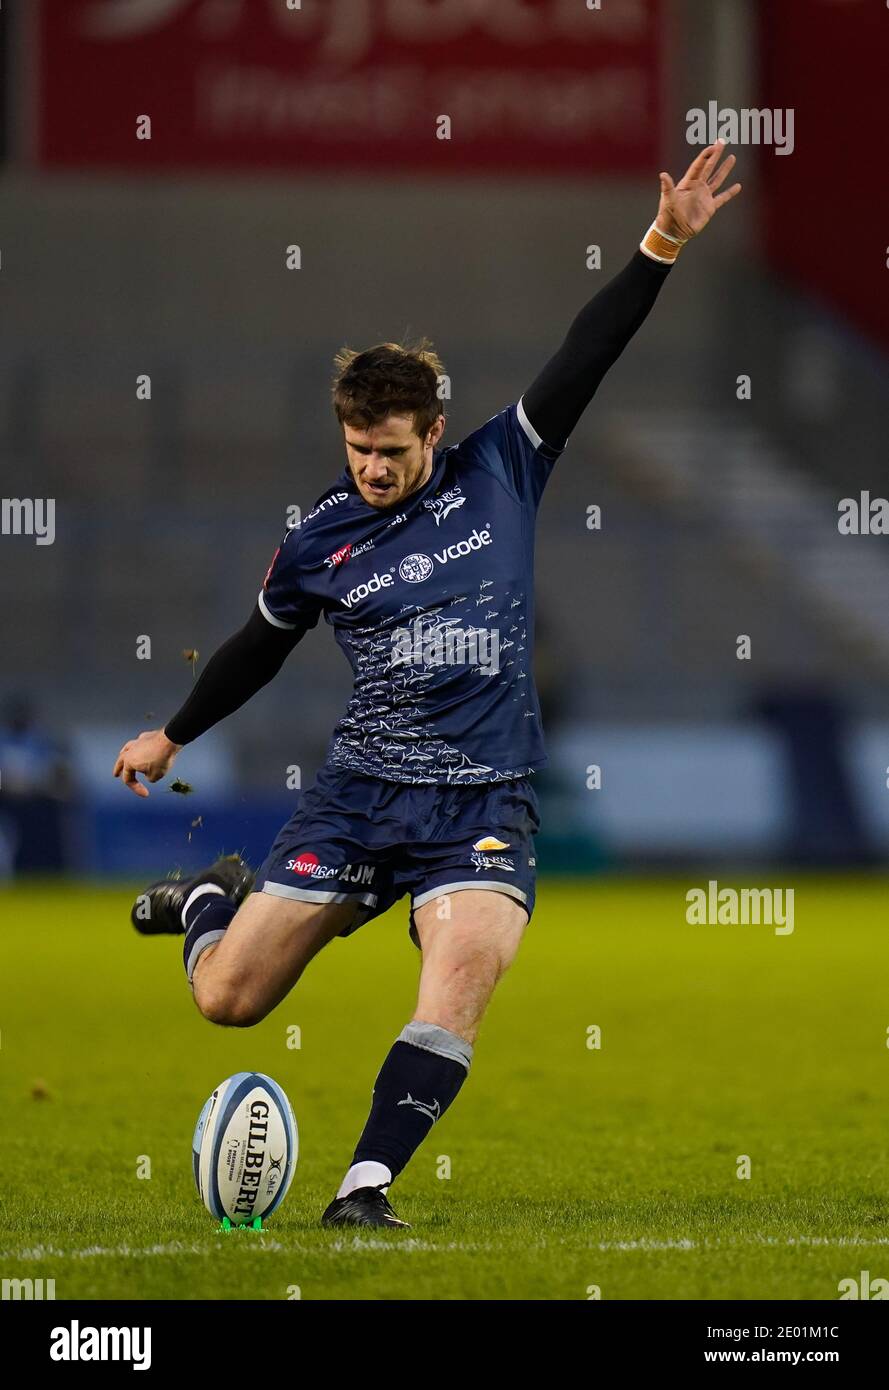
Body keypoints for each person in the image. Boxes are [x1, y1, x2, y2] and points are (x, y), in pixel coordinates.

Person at [114, 144, 741, 1228]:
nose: (371, 467)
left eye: (391, 451)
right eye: (358, 447)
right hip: (361, 793)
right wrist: (172, 734)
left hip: (481, 805)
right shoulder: (319, 537)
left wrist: (663, 244)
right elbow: (258, 646)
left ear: (434, 434)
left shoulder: (503, 465)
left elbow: (582, 356)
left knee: (461, 978)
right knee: (229, 999)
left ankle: (363, 1190)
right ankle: (210, 898)